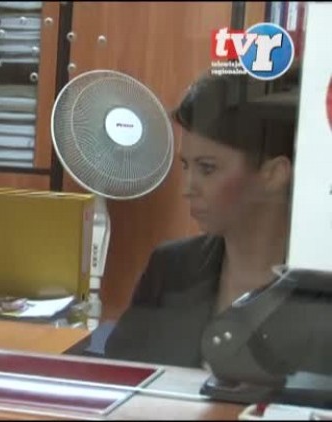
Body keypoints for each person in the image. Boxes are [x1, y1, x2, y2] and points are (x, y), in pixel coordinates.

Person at [100, 72, 298, 369]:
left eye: (207, 168)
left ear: (273, 174)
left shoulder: (318, 286)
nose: (188, 189)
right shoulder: (171, 268)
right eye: (185, 166)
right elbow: (121, 374)